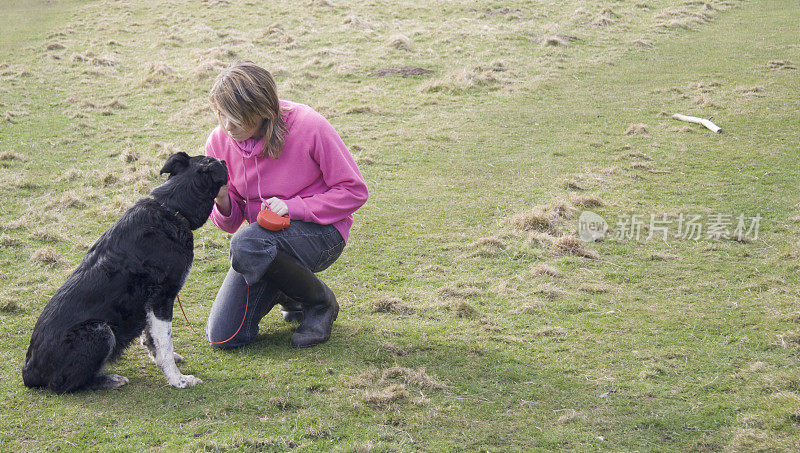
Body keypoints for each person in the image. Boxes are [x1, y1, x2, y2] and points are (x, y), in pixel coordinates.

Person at [203, 60, 368, 349]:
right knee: (224, 336)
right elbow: (230, 225)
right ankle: (289, 292)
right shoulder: (218, 143)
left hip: (322, 234)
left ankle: (320, 304)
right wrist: (222, 198)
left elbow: (354, 191)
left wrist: (295, 207)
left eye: (238, 117)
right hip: (262, 245)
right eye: (222, 115)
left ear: (263, 111)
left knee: (246, 244)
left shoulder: (309, 125)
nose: (228, 127)